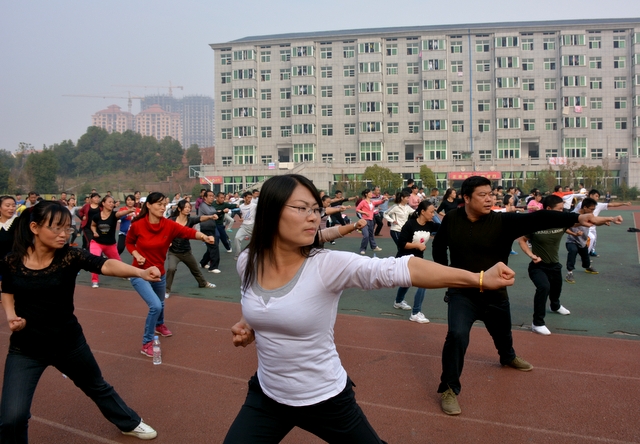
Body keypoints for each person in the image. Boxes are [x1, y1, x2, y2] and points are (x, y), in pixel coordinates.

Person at [224, 174, 516, 443]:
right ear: (271, 212)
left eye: (315, 209)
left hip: (325, 398)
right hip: (267, 396)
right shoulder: (248, 260)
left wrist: (478, 278)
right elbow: (261, 301)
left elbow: (402, 268)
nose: (313, 217)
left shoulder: (326, 265)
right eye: (302, 208)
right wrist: (250, 323)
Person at [431, 176, 622, 416]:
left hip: (496, 292)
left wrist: (576, 218)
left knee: (503, 333)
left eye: (491, 194)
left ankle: (508, 357)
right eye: (483, 195)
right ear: (466, 198)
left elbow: (539, 217)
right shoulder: (451, 219)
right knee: (457, 335)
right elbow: (438, 246)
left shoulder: (502, 221)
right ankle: (449, 388)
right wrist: (447, 275)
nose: (490, 199)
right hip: (462, 292)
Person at [0, 201, 159, 441]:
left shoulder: (70, 256)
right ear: (35, 227)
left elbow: (105, 265)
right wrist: (11, 316)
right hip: (26, 349)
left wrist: (140, 272)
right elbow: (8, 290)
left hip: (68, 344)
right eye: (56, 228)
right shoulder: (13, 260)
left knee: (97, 386)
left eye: (67, 228)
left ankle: (129, 423)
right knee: (12, 418)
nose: (64, 234)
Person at [125, 192, 215, 357]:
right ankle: (147, 343)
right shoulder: (138, 225)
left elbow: (188, 232)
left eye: (164, 204)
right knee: (155, 306)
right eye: (159, 204)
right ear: (148, 205)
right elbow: (129, 242)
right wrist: (136, 255)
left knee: (160, 303)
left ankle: (159, 325)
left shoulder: (168, 225)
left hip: (159, 273)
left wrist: (204, 237)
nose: (163, 207)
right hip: (140, 273)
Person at [517, 195, 573, 335]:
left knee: (556, 289)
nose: (562, 212)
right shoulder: (536, 224)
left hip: (554, 265)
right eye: (559, 209)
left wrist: (608, 219)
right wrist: (531, 255)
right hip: (538, 266)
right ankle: (537, 323)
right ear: (548, 209)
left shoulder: (561, 222)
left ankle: (555, 306)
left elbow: (582, 220)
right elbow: (522, 240)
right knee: (544, 287)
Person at [393, 200, 440, 323]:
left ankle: (398, 301)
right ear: (423, 212)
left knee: (407, 281)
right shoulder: (410, 224)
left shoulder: (430, 225)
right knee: (423, 282)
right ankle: (415, 313)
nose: (433, 215)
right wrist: (417, 246)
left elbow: (444, 227)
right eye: (431, 212)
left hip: (417, 259)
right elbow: (401, 243)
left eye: (434, 212)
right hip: (404, 259)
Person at [165, 200, 218, 298]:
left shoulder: (190, 220)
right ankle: (167, 290)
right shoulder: (171, 220)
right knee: (171, 269)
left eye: (189, 207)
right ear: (179, 209)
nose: (188, 209)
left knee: (195, 269)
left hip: (186, 252)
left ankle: (203, 283)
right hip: (174, 253)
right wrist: (168, 241)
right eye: (185, 207)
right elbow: (165, 231)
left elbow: (200, 218)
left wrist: (211, 217)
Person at [89, 196, 136, 288]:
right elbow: (93, 225)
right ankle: (95, 281)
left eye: (113, 202)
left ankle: (125, 274)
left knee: (118, 262)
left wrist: (129, 211)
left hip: (110, 245)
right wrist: (94, 232)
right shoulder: (96, 216)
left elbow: (120, 213)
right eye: (109, 202)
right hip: (96, 243)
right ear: (103, 203)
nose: (111, 204)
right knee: (94, 260)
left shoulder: (114, 215)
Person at [573, 189, 631, 257]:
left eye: (598, 197)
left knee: (594, 239)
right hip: (583, 226)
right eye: (596, 196)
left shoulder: (598, 205)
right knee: (591, 238)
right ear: (591, 195)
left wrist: (624, 204)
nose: (597, 198)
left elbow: (611, 204)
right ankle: (585, 255)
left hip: (593, 226)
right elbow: (575, 214)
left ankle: (592, 251)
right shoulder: (582, 204)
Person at [565, 198, 601, 283]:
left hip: (582, 241)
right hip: (572, 240)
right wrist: (574, 234)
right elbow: (566, 228)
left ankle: (587, 267)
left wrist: (606, 221)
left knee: (585, 257)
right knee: (573, 251)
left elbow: (596, 221)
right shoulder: (573, 215)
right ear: (585, 207)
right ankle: (569, 273)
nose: (592, 211)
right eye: (591, 209)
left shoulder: (589, 215)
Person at [198, 191, 235, 273]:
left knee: (212, 246)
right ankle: (213, 267)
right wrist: (222, 211)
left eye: (213, 196)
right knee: (214, 246)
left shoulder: (211, 206)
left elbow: (216, 215)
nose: (212, 197)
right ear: (205, 197)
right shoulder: (203, 205)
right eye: (210, 196)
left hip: (213, 228)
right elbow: (210, 213)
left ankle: (203, 262)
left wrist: (220, 213)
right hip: (206, 229)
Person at [355, 189, 384, 255]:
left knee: (371, 235)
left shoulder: (372, 202)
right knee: (366, 235)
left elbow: (379, 202)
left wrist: (384, 200)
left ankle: (374, 246)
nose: (371, 194)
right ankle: (362, 249)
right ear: (366, 194)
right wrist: (364, 212)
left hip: (371, 220)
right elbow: (357, 209)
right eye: (370, 193)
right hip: (364, 221)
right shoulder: (363, 202)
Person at [233, 192, 257, 259]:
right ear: (244, 198)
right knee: (237, 238)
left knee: (257, 241)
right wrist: (241, 218)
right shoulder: (241, 206)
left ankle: (256, 255)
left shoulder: (254, 206)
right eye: (248, 197)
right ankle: (238, 255)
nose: (250, 199)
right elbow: (241, 215)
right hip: (244, 226)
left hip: (252, 226)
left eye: (251, 197)